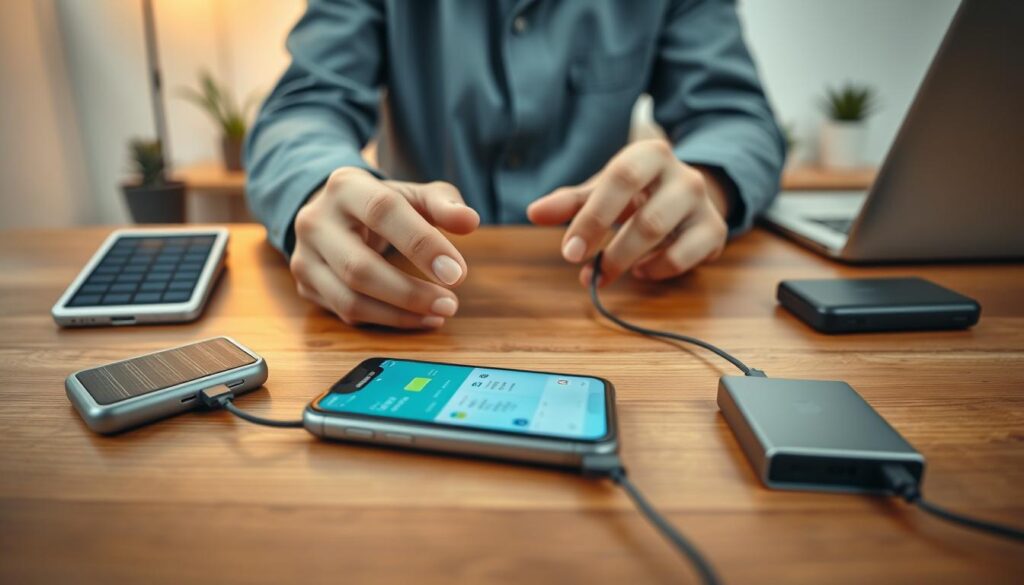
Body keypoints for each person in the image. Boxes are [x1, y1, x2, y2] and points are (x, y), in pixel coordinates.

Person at [246, 0, 785, 329]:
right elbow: (303, 110)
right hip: (406, 299)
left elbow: (736, 119)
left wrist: (709, 181)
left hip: (614, 296)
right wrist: (318, 189)